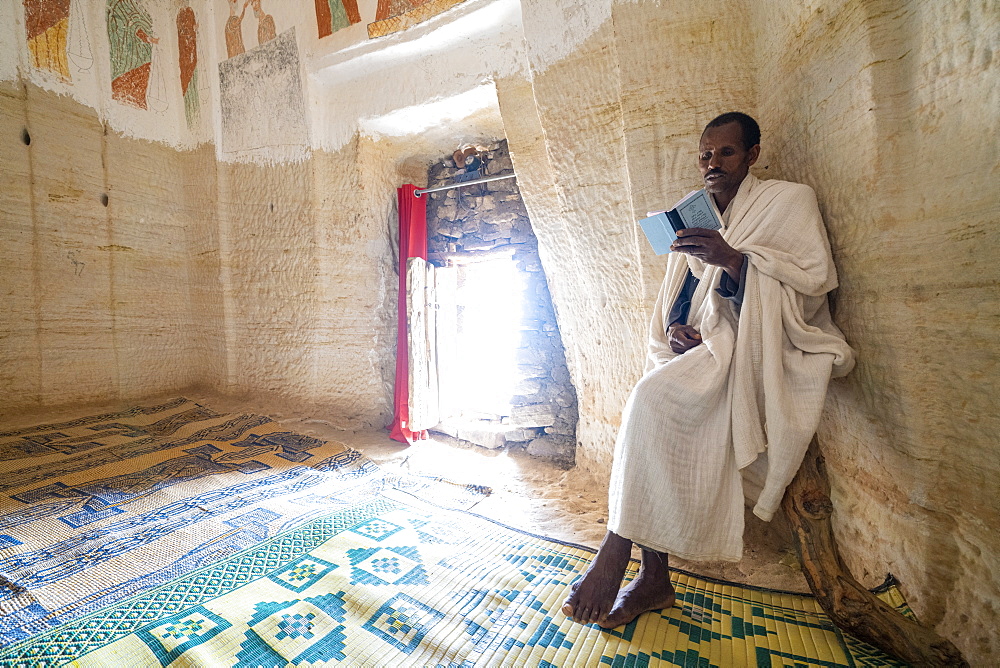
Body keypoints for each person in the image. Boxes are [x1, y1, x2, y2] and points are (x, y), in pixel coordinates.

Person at [562, 112, 855, 628]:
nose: (713, 163)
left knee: (651, 403)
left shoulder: (788, 201)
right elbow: (680, 290)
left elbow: (812, 284)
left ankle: (617, 550)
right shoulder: (692, 212)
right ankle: (652, 577)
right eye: (705, 155)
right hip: (705, 342)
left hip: (761, 342)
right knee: (655, 407)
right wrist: (678, 327)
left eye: (726, 153)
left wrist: (734, 259)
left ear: (752, 155)